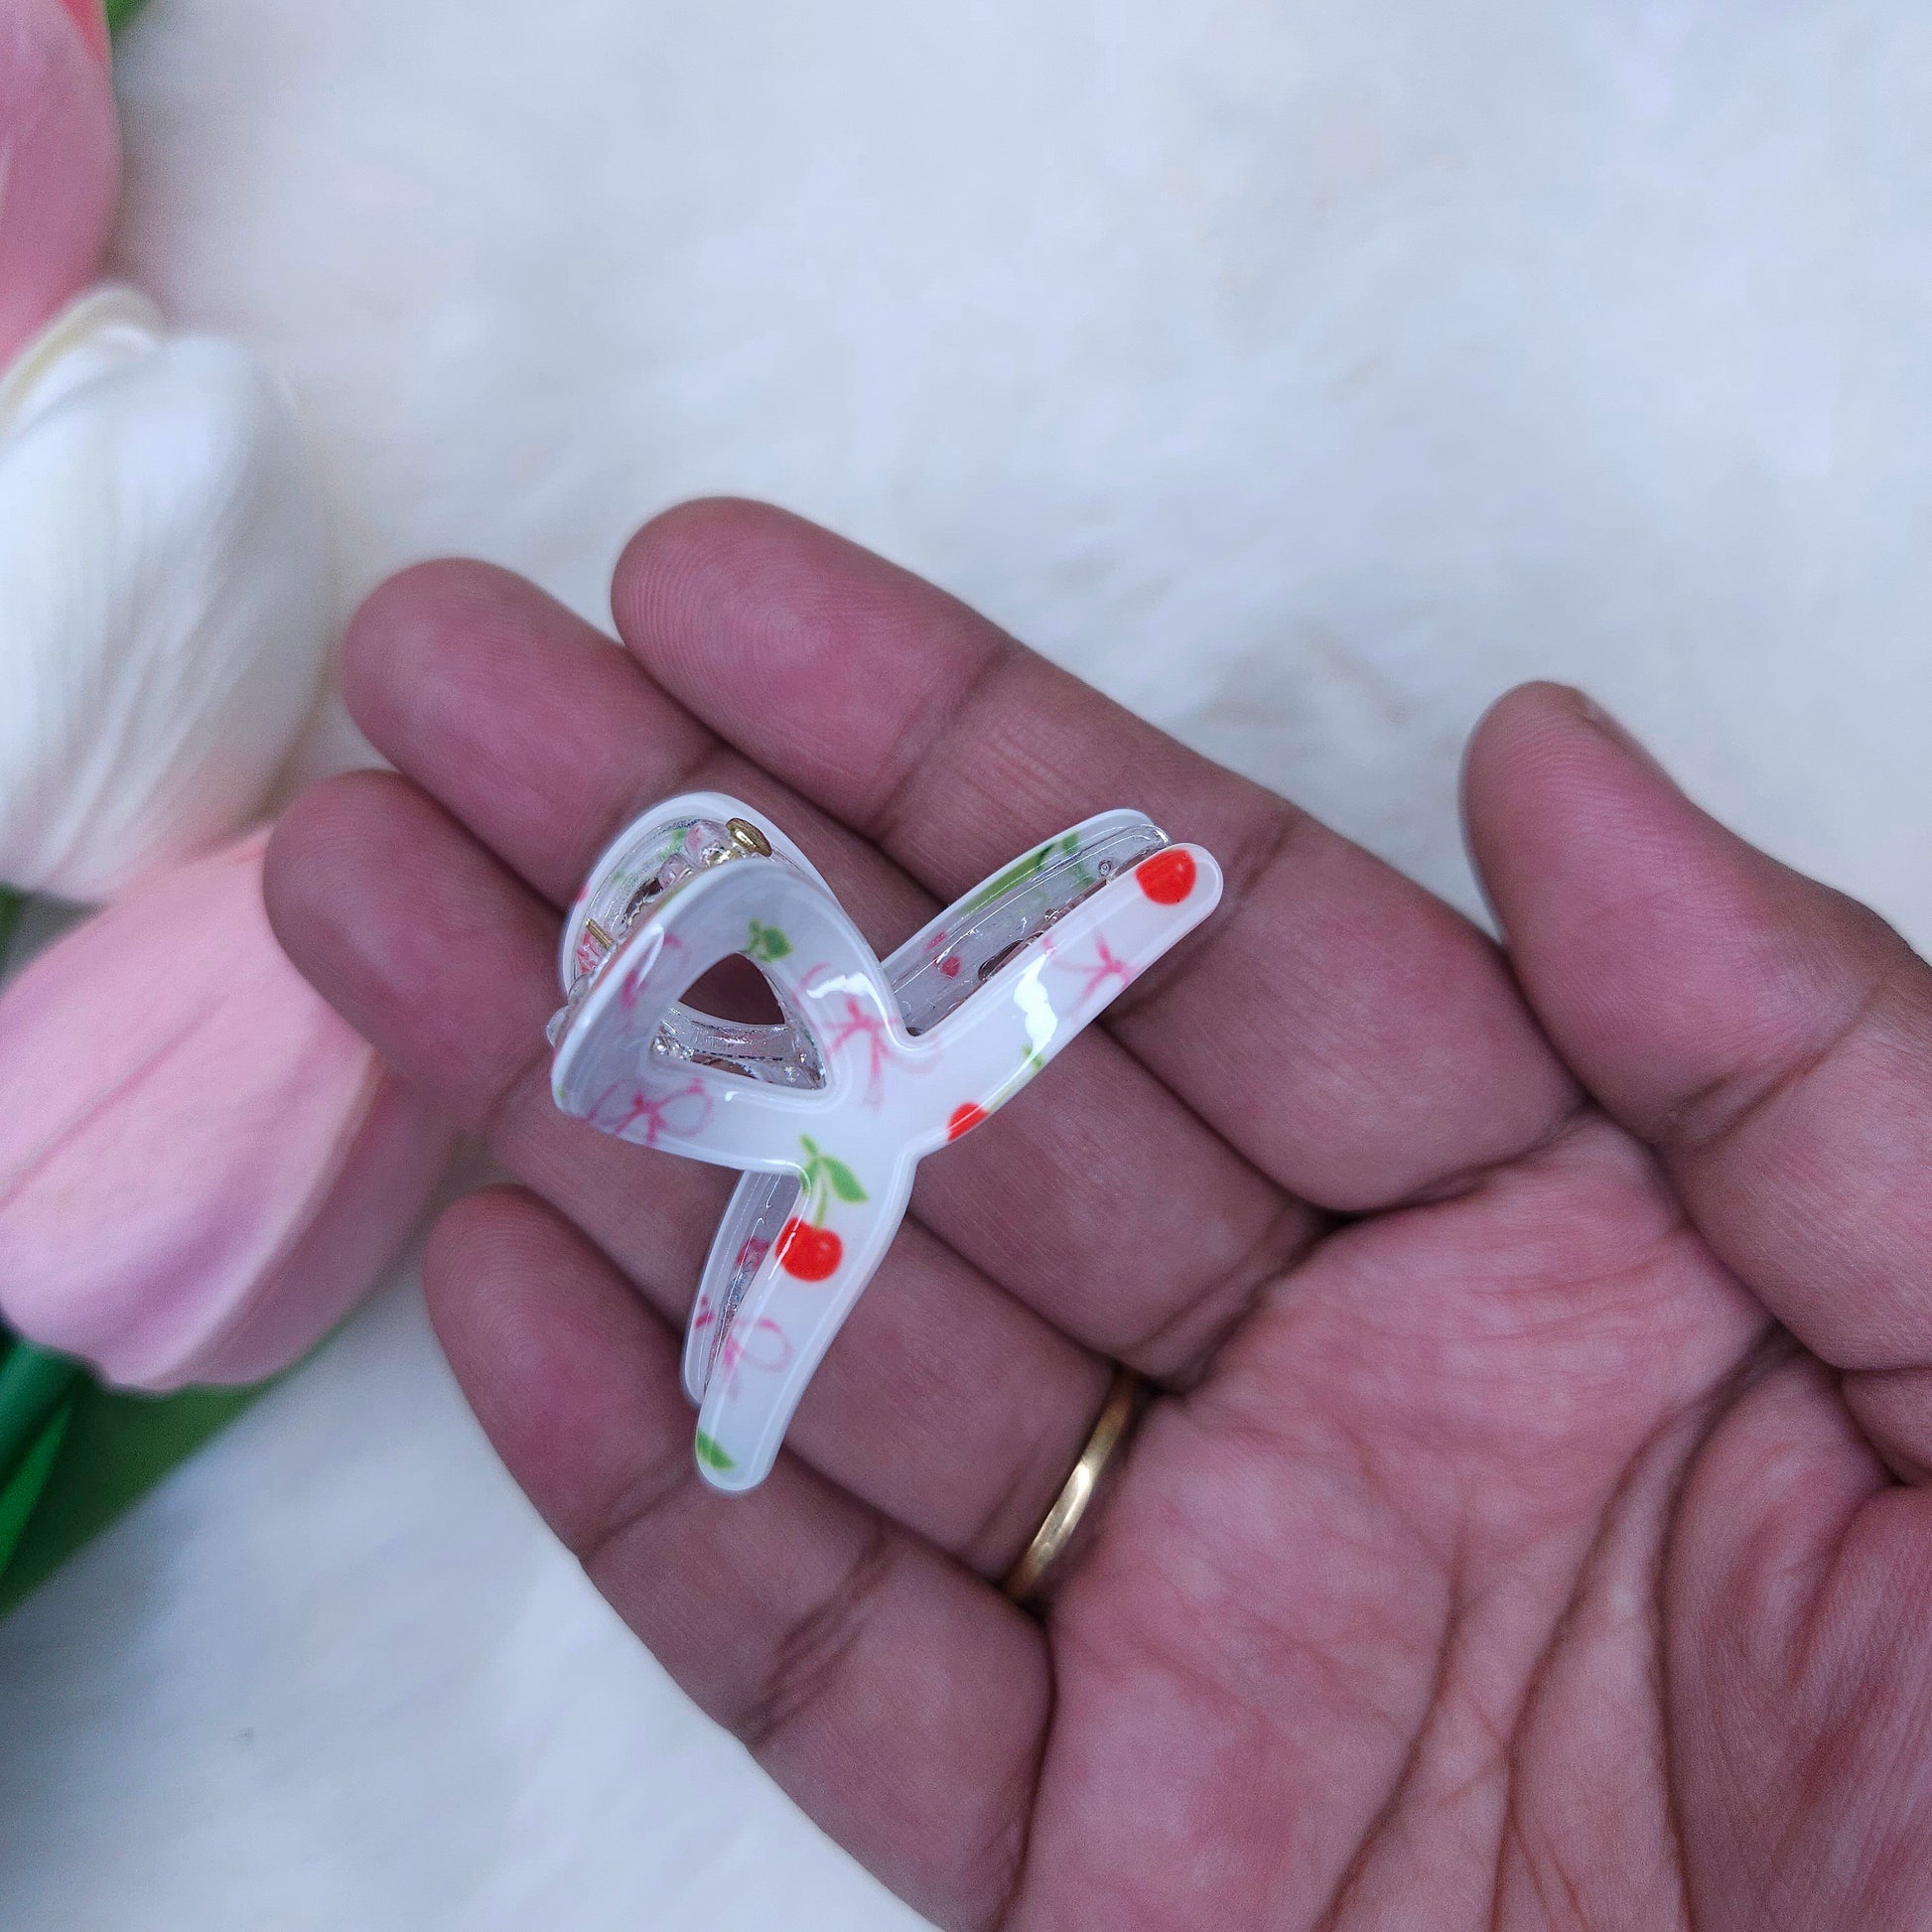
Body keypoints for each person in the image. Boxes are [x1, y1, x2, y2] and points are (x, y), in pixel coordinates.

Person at [266, 499, 1932, 1931]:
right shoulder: (841, 1116)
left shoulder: (865, 1096)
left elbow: (1064, 927)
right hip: (821, 1070)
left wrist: (1118, 898)